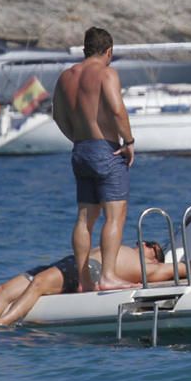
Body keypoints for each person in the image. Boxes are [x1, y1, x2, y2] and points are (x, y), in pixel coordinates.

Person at [53, 26, 137, 292]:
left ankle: (84, 281)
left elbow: (58, 116)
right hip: (106, 149)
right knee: (115, 214)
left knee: (84, 218)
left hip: (80, 150)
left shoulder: (66, 77)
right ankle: (108, 276)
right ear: (109, 51)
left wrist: (77, 138)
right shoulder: (106, 73)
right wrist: (129, 141)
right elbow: (116, 109)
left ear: (84, 50)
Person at [0, 242, 191, 327]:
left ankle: (2, 322)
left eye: (153, 246)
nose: (146, 244)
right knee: (3, 290)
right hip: (71, 262)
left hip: (90, 270)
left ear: (155, 256)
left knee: (38, 283)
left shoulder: (150, 267)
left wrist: (185, 265)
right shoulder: (124, 248)